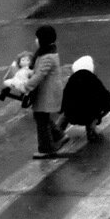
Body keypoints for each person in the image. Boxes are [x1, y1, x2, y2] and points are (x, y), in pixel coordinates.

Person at [22, 25, 68, 158]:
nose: (36, 40)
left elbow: (40, 75)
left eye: (38, 38)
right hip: (44, 93)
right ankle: (59, 135)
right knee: (42, 117)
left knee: (41, 119)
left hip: (47, 94)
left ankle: (47, 148)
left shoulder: (47, 56)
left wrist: (27, 85)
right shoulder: (45, 52)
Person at [58, 55, 110, 142]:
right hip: (89, 116)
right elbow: (107, 101)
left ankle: (58, 131)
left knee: (65, 113)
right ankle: (91, 131)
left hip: (72, 116)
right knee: (93, 111)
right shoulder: (94, 81)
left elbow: (63, 102)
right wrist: (103, 111)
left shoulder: (71, 82)